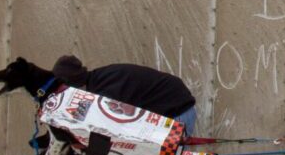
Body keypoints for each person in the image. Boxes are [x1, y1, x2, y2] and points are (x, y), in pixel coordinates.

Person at [51, 55, 197, 135]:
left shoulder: (105, 92)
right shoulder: (97, 81)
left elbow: (110, 129)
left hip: (176, 113)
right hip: (171, 108)